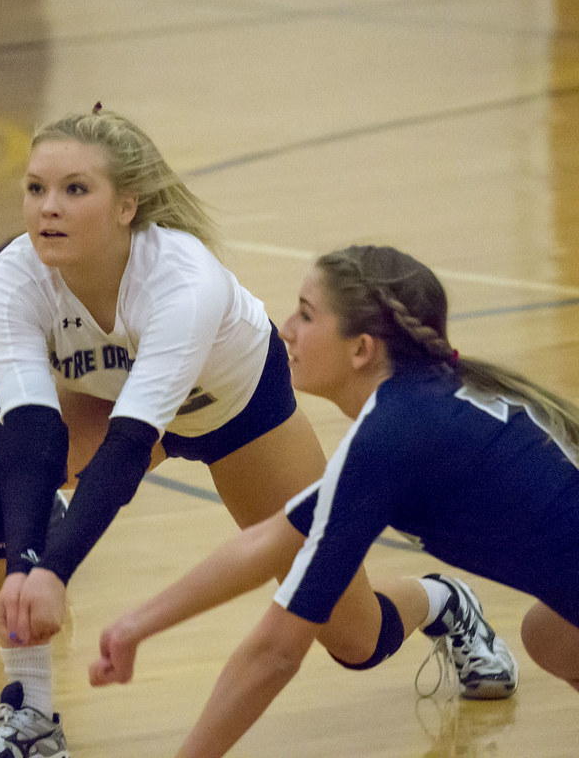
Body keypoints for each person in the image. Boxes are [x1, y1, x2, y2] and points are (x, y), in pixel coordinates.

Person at [0, 110, 516, 758]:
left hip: (238, 414)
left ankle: (443, 600)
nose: (48, 208)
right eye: (35, 188)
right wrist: (27, 565)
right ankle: (31, 710)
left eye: (76, 189)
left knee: (354, 637)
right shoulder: (11, 281)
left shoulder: (181, 278)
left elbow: (130, 447)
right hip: (110, 405)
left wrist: (55, 567)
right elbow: (31, 435)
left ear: (128, 204)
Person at [90, 244, 579, 757]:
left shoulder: (392, 436)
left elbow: (276, 653)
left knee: (553, 634)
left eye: (306, 314)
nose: (285, 329)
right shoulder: (419, 408)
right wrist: (133, 628)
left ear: (361, 349)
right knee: (551, 635)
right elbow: (271, 541)